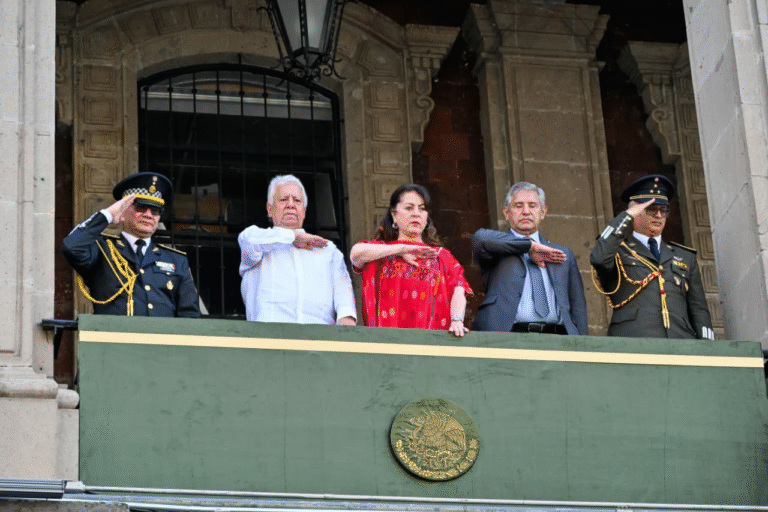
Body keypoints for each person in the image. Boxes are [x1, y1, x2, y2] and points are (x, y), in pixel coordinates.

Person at [590, 174, 714, 339]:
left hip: (682, 344)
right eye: (651, 209)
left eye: (663, 210)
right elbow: (598, 257)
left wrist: (707, 347)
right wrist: (626, 216)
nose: (658, 215)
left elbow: (698, 309)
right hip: (633, 342)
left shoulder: (684, 256)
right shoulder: (619, 250)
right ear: (636, 211)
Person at [62, 171, 201, 317]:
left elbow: (189, 314)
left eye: (155, 211)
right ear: (122, 212)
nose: (148, 215)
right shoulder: (102, 249)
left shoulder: (176, 260)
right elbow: (72, 247)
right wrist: (108, 215)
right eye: (140, 208)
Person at [350, 183, 472, 337]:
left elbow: (458, 290)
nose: (416, 214)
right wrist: (401, 249)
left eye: (422, 209)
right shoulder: (380, 252)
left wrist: (457, 321)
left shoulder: (441, 255)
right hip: (385, 343)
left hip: (429, 345)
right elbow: (356, 254)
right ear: (394, 214)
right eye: (409, 208)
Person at [238, 175, 356, 325]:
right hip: (269, 337)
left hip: (319, 338)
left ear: (304, 211)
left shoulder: (327, 250)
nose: (290, 205)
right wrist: (293, 236)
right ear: (270, 209)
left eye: (297, 201)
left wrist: (346, 323)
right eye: (283, 199)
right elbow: (249, 239)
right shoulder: (256, 241)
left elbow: (343, 295)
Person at [471, 182, 588, 335]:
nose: (526, 211)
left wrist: (583, 346)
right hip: (508, 336)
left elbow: (577, 307)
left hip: (558, 337)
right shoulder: (496, 249)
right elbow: (480, 238)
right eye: (518, 206)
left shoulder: (561, 253)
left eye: (532, 206)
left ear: (543, 212)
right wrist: (529, 246)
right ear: (506, 213)